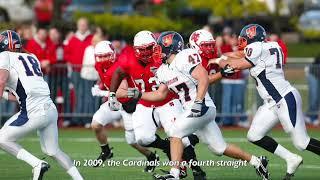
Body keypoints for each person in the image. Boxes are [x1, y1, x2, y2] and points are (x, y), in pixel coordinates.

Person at [130, 31, 269, 180]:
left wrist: (198, 102)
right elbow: (160, 94)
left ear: (171, 47)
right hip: (194, 108)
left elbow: (203, 77)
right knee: (219, 148)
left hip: (201, 105)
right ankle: (257, 161)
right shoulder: (163, 70)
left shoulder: (184, 57)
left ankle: (175, 174)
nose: (156, 52)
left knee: (175, 132)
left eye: (160, 48)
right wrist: (138, 94)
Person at [209, 24, 320, 179]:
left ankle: (294, 156)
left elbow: (234, 66)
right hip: (272, 102)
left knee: (302, 142)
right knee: (254, 135)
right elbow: (240, 53)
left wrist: (218, 61)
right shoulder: (271, 45)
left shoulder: (256, 49)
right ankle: (291, 158)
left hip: (284, 98)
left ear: (252, 39)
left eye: (245, 40)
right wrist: (223, 56)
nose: (242, 43)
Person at [109, 30, 205, 179]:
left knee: (181, 138)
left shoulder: (162, 57)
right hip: (145, 102)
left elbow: (180, 74)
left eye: (150, 48)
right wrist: (112, 93)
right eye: (143, 49)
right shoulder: (127, 58)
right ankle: (168, 147)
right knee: (142, 138)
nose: (147, 52)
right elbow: (118, 73)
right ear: (136, 50)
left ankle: (197, 169)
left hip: (168, 100)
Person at [0, 30, 83, 180]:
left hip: (33, 111)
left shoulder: (5, 56)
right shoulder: (32, 57)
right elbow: (21, 93)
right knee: (53, 151)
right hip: (50, 110)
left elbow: (1, 80)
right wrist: (5, 95)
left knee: (2, 139)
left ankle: (37, 164)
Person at [90, 40, 159, 172]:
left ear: (113, 54)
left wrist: (103, 92)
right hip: (114, 102)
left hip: (128, 104)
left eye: (106, 55)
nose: (103, 59)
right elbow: (107, 81)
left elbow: (122, 92)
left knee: (132, 141)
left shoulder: (118, 67)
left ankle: (151, 156)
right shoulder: (98, 66)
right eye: (101, 56)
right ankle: (106, 151)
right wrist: (103, 87)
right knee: (96, 124)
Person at [64, 17, 93, 126]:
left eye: (84, 24)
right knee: (77, 94)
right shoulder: (72, 39)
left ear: (87, 26)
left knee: (87, 94)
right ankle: (77, 118)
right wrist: (72, 62)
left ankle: (86, 118)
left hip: (88, 72)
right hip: (76, 71)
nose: (82, 27)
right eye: (80, 25)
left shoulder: (91, 38)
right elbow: (67, 54)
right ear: (77, 26)